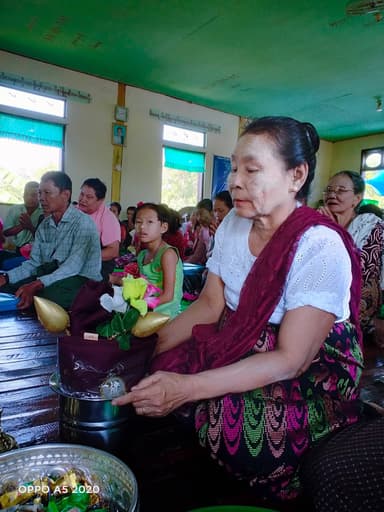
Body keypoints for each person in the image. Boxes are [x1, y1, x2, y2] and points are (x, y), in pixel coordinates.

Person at [112, 116, 364, 501]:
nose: (234, 181)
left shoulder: (319, 245)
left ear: (296, 175)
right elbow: (210, 305)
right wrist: (141, 349)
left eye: (252, 169)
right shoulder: (233, 223)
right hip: (240, 337)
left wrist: (187, 388)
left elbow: (291, 359)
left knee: (231, 425)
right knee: (159, 367)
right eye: (233, 167)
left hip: (310, 367)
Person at [0, 171, 102, 309]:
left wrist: (36, 284)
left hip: (81, 280)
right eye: (40, 193)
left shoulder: (84, 223)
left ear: (65, 195)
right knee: (10, 288)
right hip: (53, 276)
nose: (41, 198)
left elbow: (72, 267)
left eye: (47, 193)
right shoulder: (45, 226)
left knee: (46, 296)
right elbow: (34, 263)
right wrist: (6, 277)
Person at [318, 170, 384, 340]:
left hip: (356, 302)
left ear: (357, 198)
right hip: (320, 295)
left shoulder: (370, 224)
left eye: (340, 190)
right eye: (329, 190)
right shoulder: (319, 222)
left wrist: (335, 231)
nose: (332, 194)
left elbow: (360, 270)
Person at [134, 203, 183, 318]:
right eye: (138, 222)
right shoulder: (142, 255)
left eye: (149, 222)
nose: (142, 227)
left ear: (163, 227)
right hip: (147, 306)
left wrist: (140, 305)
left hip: (165, 311)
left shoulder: (167, 254)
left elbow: (168, 296)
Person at [78, 178, 121, 280]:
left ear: (100, 200)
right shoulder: (73, 212)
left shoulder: (108, 218)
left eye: (89, 197)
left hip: (98, 262)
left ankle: (112, 279)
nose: (83, 199)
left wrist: (82, 258)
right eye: (81, 194)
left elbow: (113, 251)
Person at [0, 181, 43, 268]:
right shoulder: (15, 209)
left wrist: (30, 226)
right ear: (23, 195)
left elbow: (44, 238)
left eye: (33, 195)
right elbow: (5, 233)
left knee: (7, 265)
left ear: (40, 196)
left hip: (36, 253)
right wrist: (22, 226)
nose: (29, 197)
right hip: (18, 249)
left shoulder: (44, 212)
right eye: (26, 194)